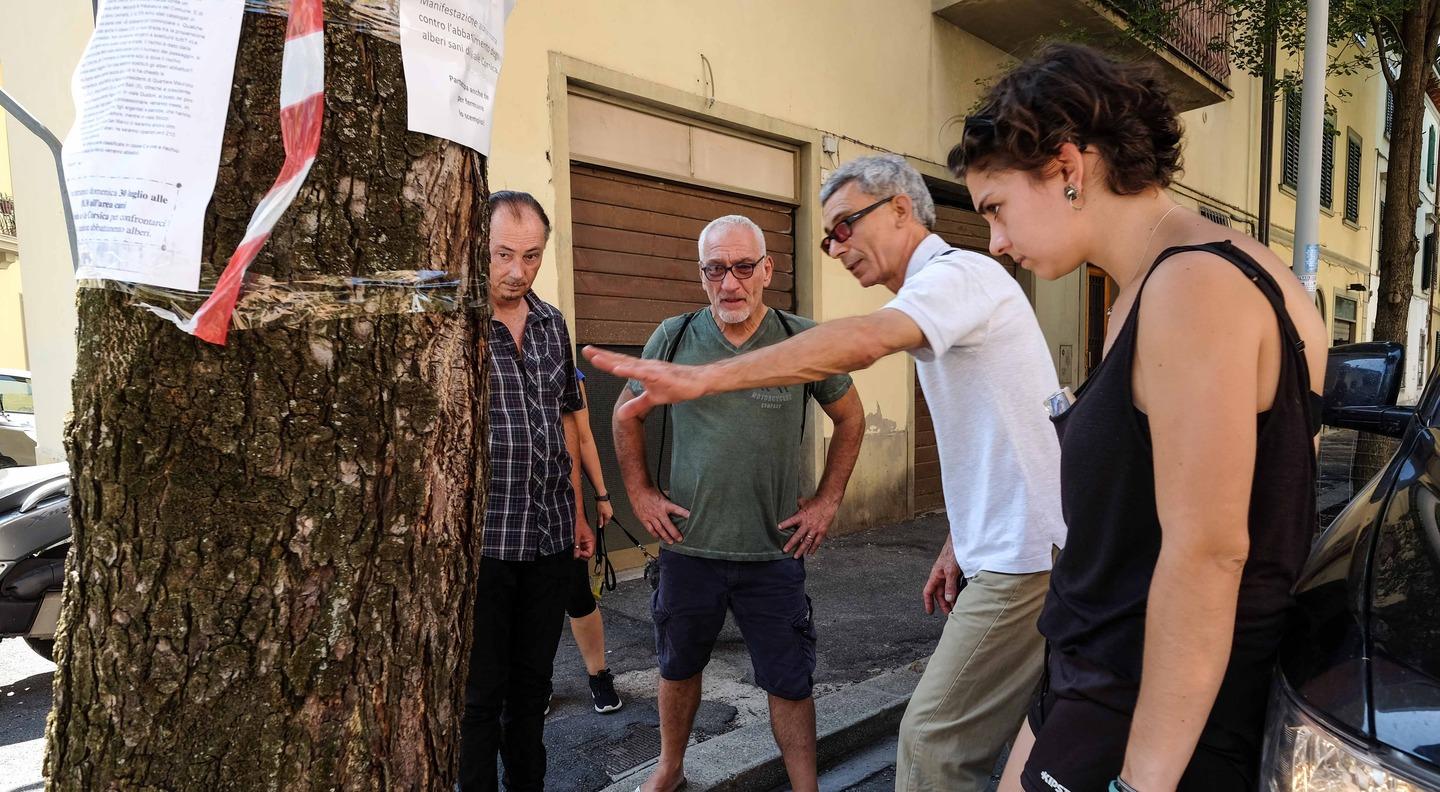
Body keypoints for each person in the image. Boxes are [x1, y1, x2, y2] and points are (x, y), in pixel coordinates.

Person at [587, 155, 1066, 791]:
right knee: (1031, 733)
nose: (836, 248)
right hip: (998, 550)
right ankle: (669, 769)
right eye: (828, 235)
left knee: (931, 744)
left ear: (900, 209)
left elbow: (865, 343)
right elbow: (1003, 436)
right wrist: (960, 537)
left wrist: (710, 380)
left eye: (844, 226)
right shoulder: (677, 333)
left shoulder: (959, 276)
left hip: (1019, 558)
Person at [948, 44, 1326, 792]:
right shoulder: (1172, 282)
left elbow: (1211, 551)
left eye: (995, 208)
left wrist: (1142, 781)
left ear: (1066, 168)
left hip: (1139, 702)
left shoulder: (1193, 289)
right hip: (1098, 674)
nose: (995, 242)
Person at [613, 215, 866, 792]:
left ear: (767, 271)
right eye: (716, 269)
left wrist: (828, 501)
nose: (730, 283)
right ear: (701, 275)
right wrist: (641, 495)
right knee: (678, 668)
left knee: (790, 681)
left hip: (774, 550)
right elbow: (626, 415)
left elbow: (851, 417)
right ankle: (670, 769)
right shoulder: (674, 338)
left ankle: (806, 788)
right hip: (689, 546)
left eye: (743, 267)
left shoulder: (802, 340)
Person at [460, 191, 595, 792]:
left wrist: (582, 513)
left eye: (532, 256)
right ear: (478, 248)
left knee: (532, 690)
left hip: (548, 536)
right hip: (484, 545)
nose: (518, 271)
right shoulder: (456, 324)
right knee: (479, 700)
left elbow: (566, 421)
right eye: (504, 255)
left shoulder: (550, 325)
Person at [563, 370, 623, 714]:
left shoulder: (568, 372)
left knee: (577, 593)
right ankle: (535, 683)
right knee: (522, 605)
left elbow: (583, 437)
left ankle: (598, 674)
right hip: (504, 507)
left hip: (561, 502)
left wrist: (602, 495)